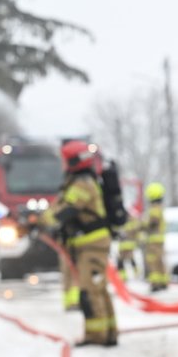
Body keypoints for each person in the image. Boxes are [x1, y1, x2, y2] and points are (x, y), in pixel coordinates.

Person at [43, 140, 118, 346]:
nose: (63, 165)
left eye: (64, 160)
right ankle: (108, 333)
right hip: (88, 244)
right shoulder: (78, 181)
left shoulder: (82, 184)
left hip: (91, 245)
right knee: (97, 288)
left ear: (73, 161)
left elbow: (67, 210)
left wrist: (42, 220)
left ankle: (97, 336)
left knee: (90, 290)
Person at [142, 181, 168, 292]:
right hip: (159, 240)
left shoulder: (154, 209)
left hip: (153, 241)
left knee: (153, 262)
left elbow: (152, 223)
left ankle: (155, 284)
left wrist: (142, 226)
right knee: (159, 261)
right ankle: (163, 282)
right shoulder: (160, 207)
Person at [116, 212, 140, 281]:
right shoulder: (127, 224)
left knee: (128, 261)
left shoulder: (129, 224)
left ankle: (133, 274)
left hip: (127, 246)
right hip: (124, 246)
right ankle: (124, 276)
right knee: (123, 261)